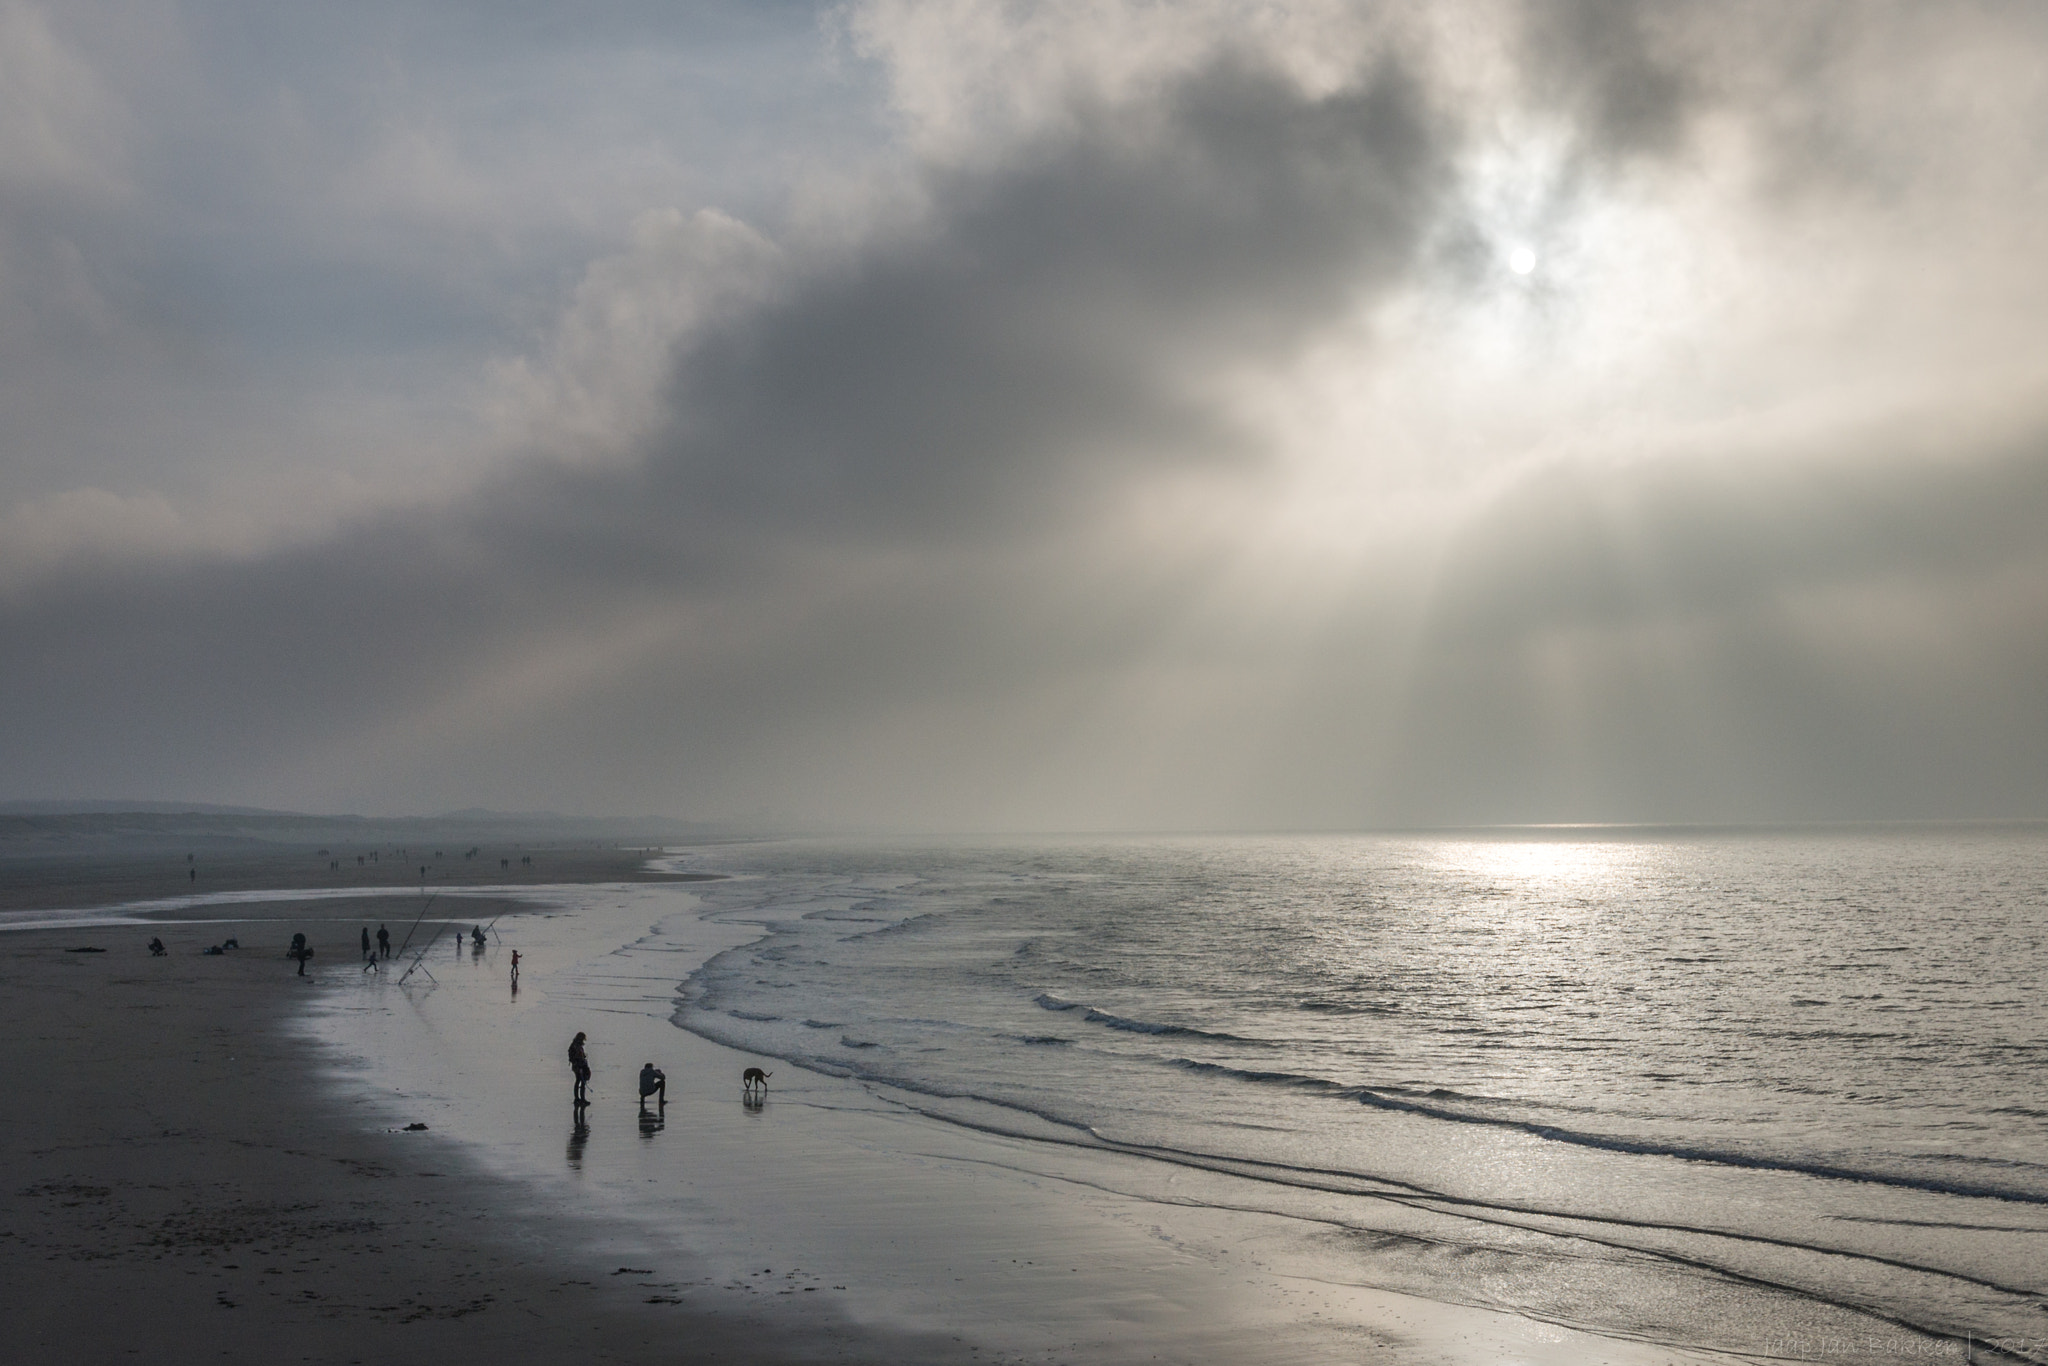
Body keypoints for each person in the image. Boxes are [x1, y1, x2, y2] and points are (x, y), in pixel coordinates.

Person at [568, 1032, 591, 1105]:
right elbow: (578, 1057)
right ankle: (580, 1099)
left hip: (578, 1066)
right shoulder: (576, 1046)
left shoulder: (575, 1045)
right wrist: (580, 1066)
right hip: (578, 1066)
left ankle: (578, 1099)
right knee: (581, 1082)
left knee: (579, 1081)